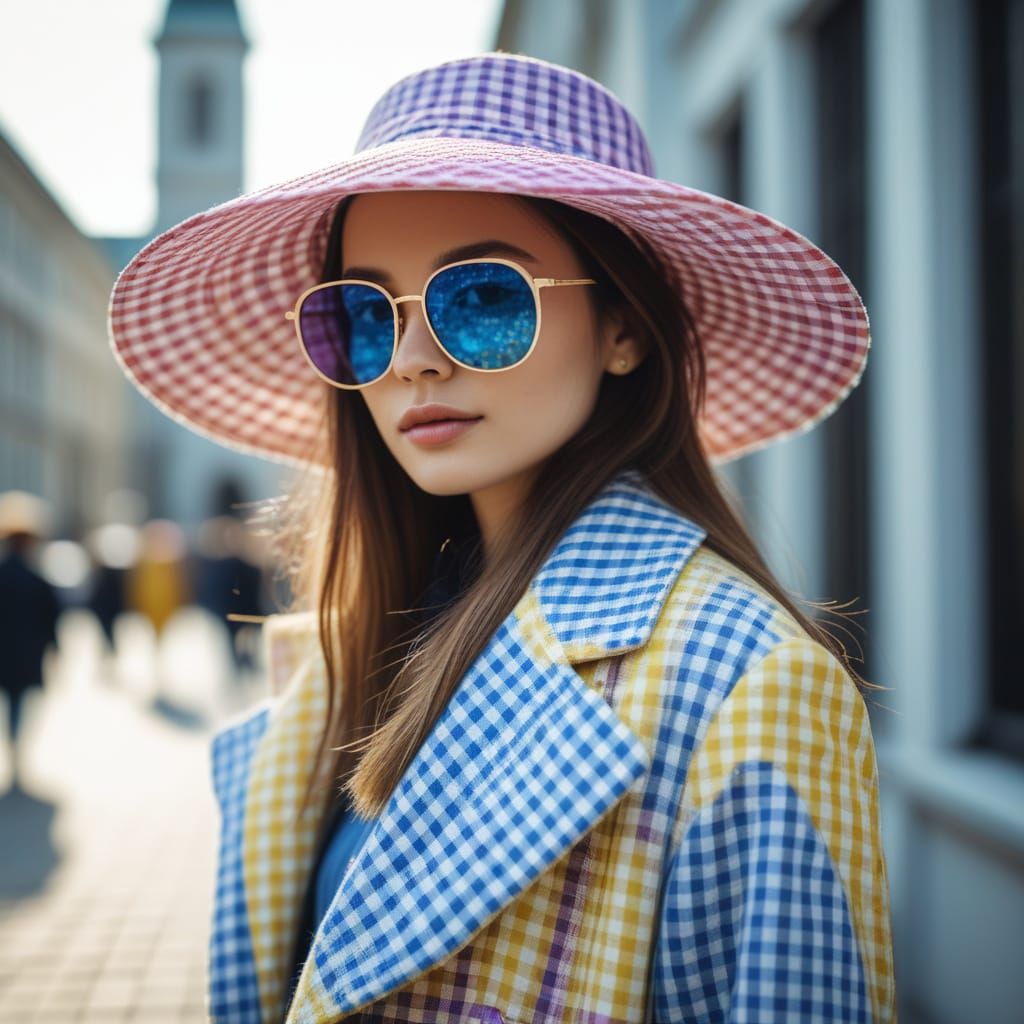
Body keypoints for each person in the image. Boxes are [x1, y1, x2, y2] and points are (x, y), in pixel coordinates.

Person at [108, 52, 895, 1024]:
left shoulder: (746, 679)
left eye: (482, 297)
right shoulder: (353, 650)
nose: (411, 360)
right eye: (362, 314)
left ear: (622, 326)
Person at [0, 491, 62, 792]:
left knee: (10, 702)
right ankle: (15, 747)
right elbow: (52, 618)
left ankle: (13, 746)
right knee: (18, 704)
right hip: (26, 655)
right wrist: (56, 650)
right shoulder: (37, 578)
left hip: (4, 653)